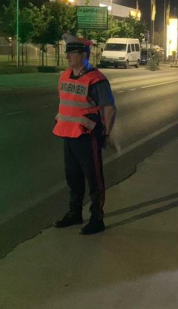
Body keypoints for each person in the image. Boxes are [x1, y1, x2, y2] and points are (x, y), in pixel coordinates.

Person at [52, 34, 116, 235]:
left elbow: (109, 108)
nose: (67, 56)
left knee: (94, 179)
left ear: (84, 55)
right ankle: (74, 213)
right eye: (67, 52)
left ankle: (97, 219)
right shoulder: (64, 76)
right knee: (73, 178)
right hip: (67, 134)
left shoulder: (97, 80)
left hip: (88, 136)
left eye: (71, 53)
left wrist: (105, 135)